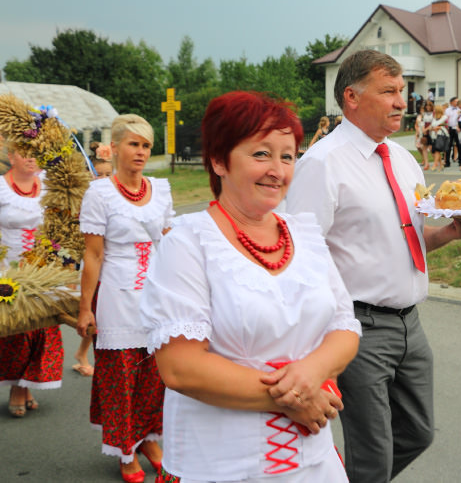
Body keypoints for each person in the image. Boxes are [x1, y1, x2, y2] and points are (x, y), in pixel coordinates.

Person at [285, 49, 461, 483]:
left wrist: (452, 233)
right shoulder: (322, 164)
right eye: (389, 91)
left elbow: (406, 241)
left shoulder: (401, 158)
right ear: (351, 97)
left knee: (418, 433)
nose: (403, 101)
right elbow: (301, 258)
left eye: (402, 91)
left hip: (410, 325)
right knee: (373, 453)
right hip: (357, 327)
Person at [139, 91, 361, 482]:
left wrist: (313, 370)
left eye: (288, 156)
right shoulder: (187, 243)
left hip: (313, 461)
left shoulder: (305, 234)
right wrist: (296, 400)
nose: (277, 169)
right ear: (219, 160)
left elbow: (345, 328)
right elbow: (181, 368)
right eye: (261, 154)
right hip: (221, 464)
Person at [76, 114, 174, 483]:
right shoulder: (100, 192)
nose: (141, 152)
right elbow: (94, 255)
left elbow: (168, 242)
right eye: (134, 144)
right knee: (120, 379)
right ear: (114, 148)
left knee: (154, 374)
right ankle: (125, 449)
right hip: (116, 294)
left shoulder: (160, 189)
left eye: (146, 145)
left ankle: (149, 439)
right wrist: (86, 307)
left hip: (155, 293)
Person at [0, 144, 63, 418]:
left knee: (41, 331)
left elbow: (60, 224)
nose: (31, 158)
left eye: (35, 152)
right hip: (8, 272)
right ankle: (17, 388)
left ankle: (28, 382)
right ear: (11, 157)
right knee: (17, 332)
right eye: (24, 152)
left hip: (43, 269)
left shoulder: (46, 184)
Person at [72, 144, 114, 378]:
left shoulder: (115, 196)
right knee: (91, 311)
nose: (104, 178)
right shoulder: (84, 196)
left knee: (100, 313)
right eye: (99, 174)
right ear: (89, 173)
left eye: (109, 174)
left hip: (111, 261)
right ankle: (84, 352)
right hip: (87, 259)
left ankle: (82, 352)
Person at [429, 104, 449, 171]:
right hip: (435, 136)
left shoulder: (444, 117)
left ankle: (435, 164)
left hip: (442, 135)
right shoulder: (434, 118)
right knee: (435, 150)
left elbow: (439, 125)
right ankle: (441, 164)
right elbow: (432, 126)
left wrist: (437, 127)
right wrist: (435, 127)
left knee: (437, 150)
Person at [444, 96, 461, 167]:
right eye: (455, 101)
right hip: (450, 128)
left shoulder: (460, 109)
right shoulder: (447, 110)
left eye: (457, 101)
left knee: (459, 145)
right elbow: (446, 119)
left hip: (457, 128)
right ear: (451, 102)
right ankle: (447, 162)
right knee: (448, 145)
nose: (456, 102)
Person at [414, 105, 430, 170]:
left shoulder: (426, 116)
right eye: (421, 110)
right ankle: (423, 158)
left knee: (425, 147)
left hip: (424, 132)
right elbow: (416, 124)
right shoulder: (419, 116)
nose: (422, 111)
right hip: (419, 132)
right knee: (418, 146)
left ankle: (435, 161)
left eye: (423, 110)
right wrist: (417, 130)